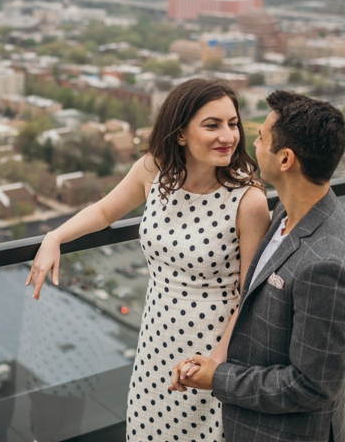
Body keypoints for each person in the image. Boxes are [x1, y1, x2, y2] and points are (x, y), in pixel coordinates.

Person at [26, 78, 270, 442]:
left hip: (211, 347)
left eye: (232, 124)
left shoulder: (248, 201)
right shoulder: (154, 170)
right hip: (155, 339)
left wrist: (216, 364)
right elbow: (106, 209)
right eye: (212, 124)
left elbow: (249, 295)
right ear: (181, 133)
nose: (228, 136)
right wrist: (54, 236)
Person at [170, 90, 345, 442]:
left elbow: (312, 386)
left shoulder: (326, 266)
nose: (252, 144)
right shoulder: (290, 213)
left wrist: (219, 378)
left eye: (260, 137)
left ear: (286, 159)